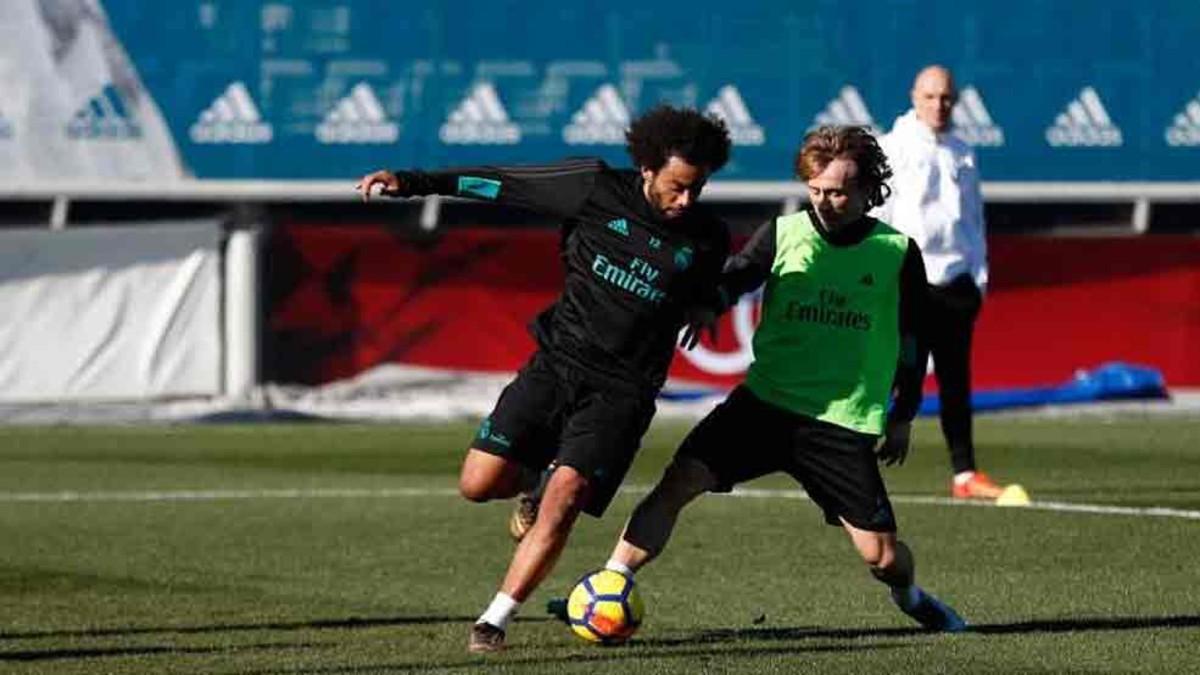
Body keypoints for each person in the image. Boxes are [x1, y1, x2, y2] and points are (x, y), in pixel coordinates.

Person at [356, 105, 733, 653]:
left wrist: (704, 307)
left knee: (568, 493)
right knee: (477, 484)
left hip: (623, 392)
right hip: (556, 365)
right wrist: (412, 182)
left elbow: (704, 287)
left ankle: (496, 617)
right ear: (647, 168)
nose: (687, 201)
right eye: (678, 187)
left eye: (697, 189)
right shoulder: (593, 188)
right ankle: (531, 481)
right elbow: (500, 185)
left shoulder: (708, 236)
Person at [562, 125, 966, 634]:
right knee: (679, 480)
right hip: (764, 404)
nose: (825, 202)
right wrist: (711, 303)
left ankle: (911, 598)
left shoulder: (895, 253)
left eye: (839, 191)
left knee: (882, 558)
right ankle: (609, 584)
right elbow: (737, 276)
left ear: (868, 190)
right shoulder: (783, 233)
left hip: (837, 423)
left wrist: (903, 414)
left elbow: (912, 339)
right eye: (816, 190)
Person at [874, 65, 1016, 501]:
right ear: (915, 97)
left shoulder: (963, 151)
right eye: (931, 97)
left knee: (956, 382)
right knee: (895, 375)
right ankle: (850, 461)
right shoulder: (892, 148)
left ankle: (965, 474)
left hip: (956, 284)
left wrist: (978, 280)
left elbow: (974, 221)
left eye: (947, 98)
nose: (939, 106)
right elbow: (881, 216)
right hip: (908, 281)